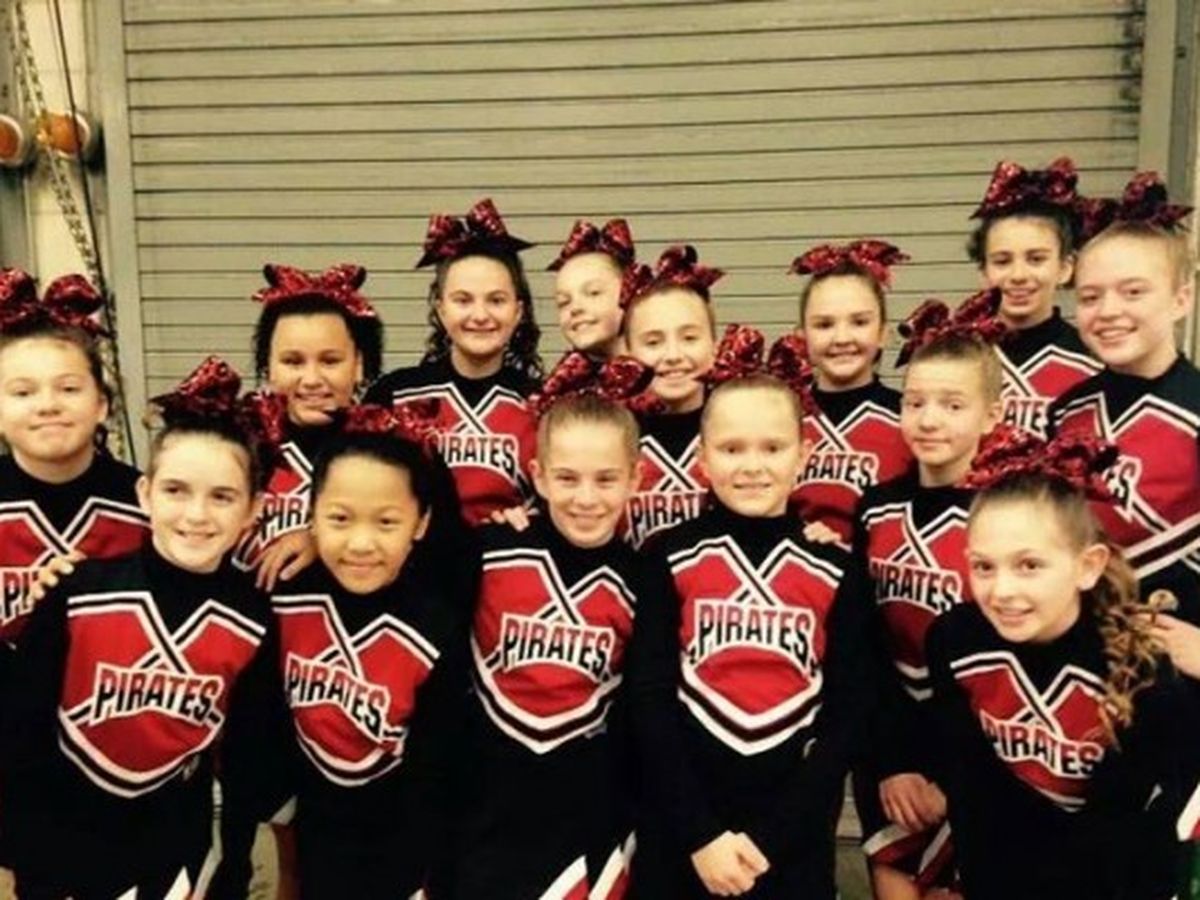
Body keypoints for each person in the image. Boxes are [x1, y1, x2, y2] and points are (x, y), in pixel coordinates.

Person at [2, 356, 273, 899]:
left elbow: (247, 757)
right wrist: (15, 853)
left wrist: (234, 863)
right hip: (58, 839)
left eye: (222, 496)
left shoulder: (255, 617)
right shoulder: (78, 589)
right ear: (145, 494)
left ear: (253, 509)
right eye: (176, 490)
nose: (196, 514)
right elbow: (18, 728)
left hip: (172, 842)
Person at [629, 326, 873, 898]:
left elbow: (846, 718)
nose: (752, 466)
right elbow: (648, 701)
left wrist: (770, 841)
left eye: (772, 448)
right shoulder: (667, 555)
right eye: (732, 449)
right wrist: (701, 835)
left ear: (804, 454)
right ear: (702, 457)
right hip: (683, 837)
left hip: (790, 845)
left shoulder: (837, 567)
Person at [927, 429, 1199, 899]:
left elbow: (1137, 824)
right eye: (984, 566)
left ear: (1088, 566)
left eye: (1029, 565)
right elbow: (971, 787)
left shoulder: (1140, 667)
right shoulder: (954, 640)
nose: (1002, 590)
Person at [216, 404, 468, 899]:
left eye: (387, 522)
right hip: (307, 832)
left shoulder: (437, 624)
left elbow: (438, 772)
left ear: (420, 523)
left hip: (398, 844)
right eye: (339, 519)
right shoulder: (284, 597)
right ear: (310, 517)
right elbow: (252, 735)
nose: (360, 543)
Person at [444, 353, 650, 899]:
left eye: (606, 479)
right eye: (567, 478)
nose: (586, 498)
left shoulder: (644, 578)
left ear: (636, 477)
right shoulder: (488, 551)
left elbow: (641, 712)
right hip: (484, 815)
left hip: (588, 823)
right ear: (536, 475)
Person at [853, 290, 1005, 899]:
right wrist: (891, 760)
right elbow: (864, 643)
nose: (929, 419)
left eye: (952, 404)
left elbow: (1012, 661)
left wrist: (955, 778)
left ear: (992, 415)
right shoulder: (875, 507)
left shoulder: (1006, 511)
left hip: (976, 748)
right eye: (915, 402)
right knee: (891, 878)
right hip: (890, 745)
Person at [1048, 172, 1199, 622]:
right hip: (1082, 636)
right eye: (1090, 297)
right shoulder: (1066, 412)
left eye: (1133, 292)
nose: (1109, 311)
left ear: (1181, 299)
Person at [365, 198, 542, 525]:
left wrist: (531, 521)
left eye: (496, 300)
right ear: (441, 309)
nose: (480, 315)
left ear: (518, 312)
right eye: (463, 300)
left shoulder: (542, 403)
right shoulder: (393, 395)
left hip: (506, 554)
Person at [0, 269, 146, 650]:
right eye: (23, 392)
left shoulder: (146, 502)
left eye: (68, 388)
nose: (48, 405)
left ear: (101, 404)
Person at [237, 262, 384, 588]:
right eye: (293, 362)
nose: (312, 379)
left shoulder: (391, 447)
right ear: (268, 367)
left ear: (358, 365)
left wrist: (324, 540)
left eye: (330, 361)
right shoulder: (237, 444)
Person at [789, 240, 913, 542]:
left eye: (859, 322)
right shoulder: (782, 417)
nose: (842, 338)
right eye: (824, 325)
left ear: (882, 333)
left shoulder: (910, 418)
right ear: (801, 337)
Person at [967, 157, 1100, 437]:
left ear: (1065, 268)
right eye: (1002, 261)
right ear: (984, 272)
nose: (1018, 275)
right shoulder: (959, 352)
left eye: (1036, 259)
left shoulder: (1092, 361)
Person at [619, 245, 721, 548]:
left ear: (714, 346)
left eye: (689, 338)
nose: (673, 355)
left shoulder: (741, 430)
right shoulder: (609, 431)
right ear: (628, 353)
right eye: (653, 342)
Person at [550, 217, 636, 359]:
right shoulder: (568, 372)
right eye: (564, 302)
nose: (575, 308)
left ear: (629, 291)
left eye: (593, 293)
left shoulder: (667, 367)